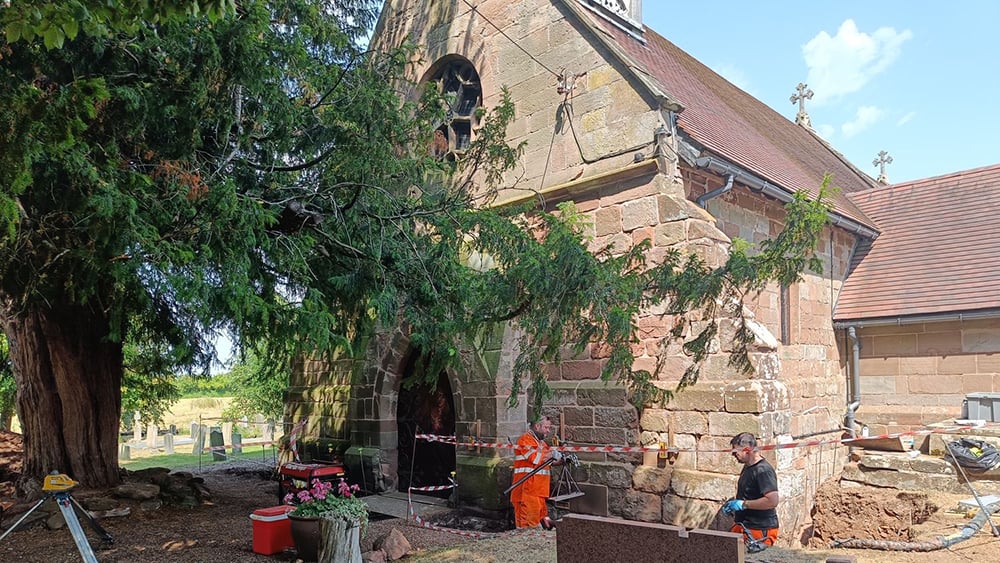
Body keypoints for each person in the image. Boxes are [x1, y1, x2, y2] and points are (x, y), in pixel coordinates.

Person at [722, 432, 779, 550]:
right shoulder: (748, 466)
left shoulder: (763, 471)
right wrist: (735, 506)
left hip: (759, 530)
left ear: (747, 450)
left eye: (735, 452)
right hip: (745, 526)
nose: (733, 455)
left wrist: (743, 504)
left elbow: (772, 501)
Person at [510, 415, 561, 529]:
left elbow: (550, 461)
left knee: (540, 524)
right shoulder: (525, 440)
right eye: (546, 428)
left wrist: (562, 459)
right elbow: (536, 458)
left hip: (538, 492)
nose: (548, 431)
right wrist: (552, 454)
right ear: (537, 426)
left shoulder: (541, 444)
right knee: (527, 528)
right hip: (527, 492)